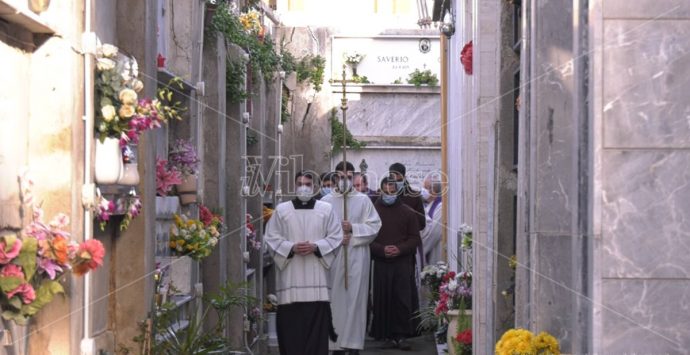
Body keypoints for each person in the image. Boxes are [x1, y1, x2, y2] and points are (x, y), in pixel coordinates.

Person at [264, 170, 344, 355]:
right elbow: (271, 237)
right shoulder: (282, 210)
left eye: (308, 184)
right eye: (299, 183)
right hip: (291, 281)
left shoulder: (326, 210)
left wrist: (317, 247)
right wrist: (291, 248)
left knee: (316, 334)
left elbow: (336, 236)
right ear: (294, 185)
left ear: (314, 187)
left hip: (317, 285)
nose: (303, 187)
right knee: (290, 333)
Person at [322, 161, 381, 355]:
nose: (344, 180)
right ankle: (336, 342)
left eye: (348, 177)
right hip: (334, 256)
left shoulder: (363, 200)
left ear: (354, 178)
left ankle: (353, 343)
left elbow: (374, 226)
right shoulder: (326, 203)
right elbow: (319, 231)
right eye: (340, 176)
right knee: (336, 300)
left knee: (356, 297)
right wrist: (337, 237)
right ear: (335, 177)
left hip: (357, 255)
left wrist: (353, 229)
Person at [370, 177, 421, 351]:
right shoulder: (372, 211)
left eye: (392, 191)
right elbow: (367, 237)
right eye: (386, 191)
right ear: (380, 190)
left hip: (401, 262)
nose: (389, 194)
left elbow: (415, 238)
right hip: (381, 261)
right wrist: (381, 249)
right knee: (382, 298)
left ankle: (401, 335)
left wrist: (399, 249)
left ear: (397, 191)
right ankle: (385, 334)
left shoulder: (407, 212)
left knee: (401, 299)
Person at [420, 173, 443, 266]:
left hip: (434, 254)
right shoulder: (427, 205)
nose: (423, 190)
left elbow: (432, 234)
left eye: (425, 187)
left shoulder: (441, 207)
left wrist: (418, 251)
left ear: (433, 190)